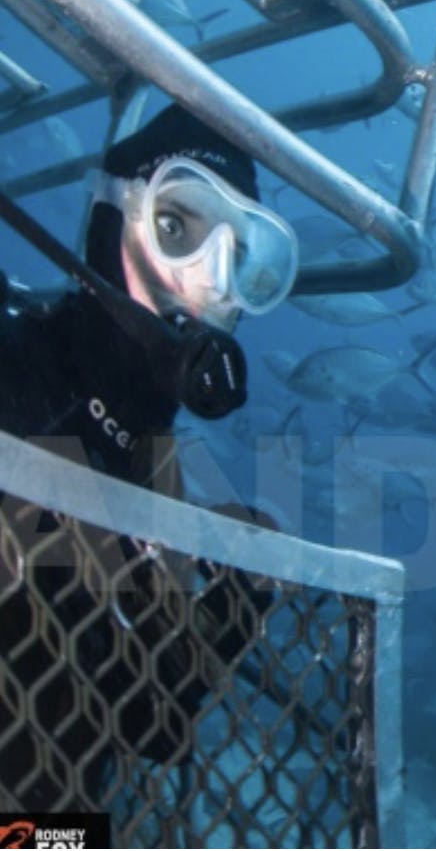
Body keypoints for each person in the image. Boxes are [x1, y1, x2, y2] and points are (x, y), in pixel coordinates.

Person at [0, 103, 298, 813]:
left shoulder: (156, 466)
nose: (214, 282)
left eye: (243, 258)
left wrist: (227, 614)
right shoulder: (13, 362)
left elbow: (153, 725)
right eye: (178, 229)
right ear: (112, 224)